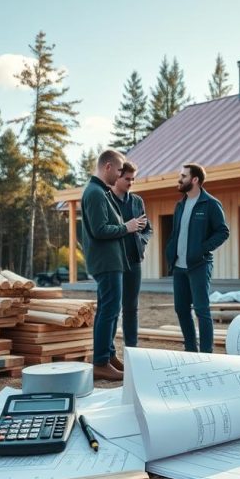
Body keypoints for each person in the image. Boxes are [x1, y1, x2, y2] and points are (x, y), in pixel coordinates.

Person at [80, 149, 147, 381]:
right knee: (109, 311)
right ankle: (100, 362)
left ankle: (108, 356)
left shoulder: (101, 192)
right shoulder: (95, 193)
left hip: (112, 261)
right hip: (106, 262)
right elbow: (99, 230)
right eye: (119, 170)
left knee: (108, 310)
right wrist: (126, 227)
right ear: (107, 167)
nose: (120, 174)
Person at [165, 163, 229, 353]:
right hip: (179, 266)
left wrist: (202, 249)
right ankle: (191, 350)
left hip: (199, 265)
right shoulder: (180, 204)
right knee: (181, 309)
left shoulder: (210, 204)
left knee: (201, 310)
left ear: (195, 180)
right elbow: (177, 232)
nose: (180, 179)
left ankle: (207, 353)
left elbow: (222, 231)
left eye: (183, 176)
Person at [110, 160, 152, 362]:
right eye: (127, 178)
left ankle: (132, 353)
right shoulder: (106, 200)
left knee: (131, 308)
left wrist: (141, 241)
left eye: (133, 179)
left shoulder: (137, 201)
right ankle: (109, 354)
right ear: (117, 176)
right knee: (112, 308)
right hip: (114, 262)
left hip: (134, 261)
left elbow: (146, 229)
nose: (131, 182)